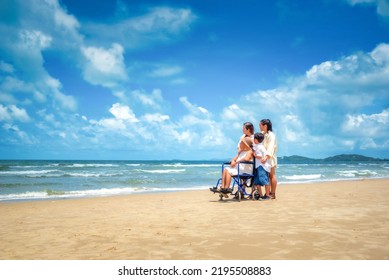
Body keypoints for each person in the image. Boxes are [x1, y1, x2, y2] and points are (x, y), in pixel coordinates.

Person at [259, 119, 278, 199]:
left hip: (270, 158)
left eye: (260, 125)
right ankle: (267, 193)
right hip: (263, 158)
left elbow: (271, 147)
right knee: (267, 176)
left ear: (265, 126)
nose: (259, 126)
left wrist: (266, 157)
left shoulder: (271, 135)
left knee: (271, 175)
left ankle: (272, 193)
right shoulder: (262, 134)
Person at [252, 132, 271, 200]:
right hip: (259, 165)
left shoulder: (260, 147)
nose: (253, 140)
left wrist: (254, 155)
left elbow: (259, 156)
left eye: (254, 138)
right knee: (257, 180)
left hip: (261, 166)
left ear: (256, 139)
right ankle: (261, 195)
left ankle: (267, 195)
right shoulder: (259, 146)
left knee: (263, 179)